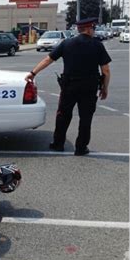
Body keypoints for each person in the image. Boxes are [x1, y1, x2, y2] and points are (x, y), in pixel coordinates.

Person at [25, 17, 111, 156]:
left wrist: (33, 73)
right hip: (89, 88)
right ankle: (81, 148)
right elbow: (105, 70)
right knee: (86, 118)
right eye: (93, 29)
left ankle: (58, 144)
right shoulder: (97, 45)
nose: (94, 31)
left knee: (63, 115)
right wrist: (105, 88)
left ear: (79, 29)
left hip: (69, 87)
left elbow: (48, 59)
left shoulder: (67, 44)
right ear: (88, 29)